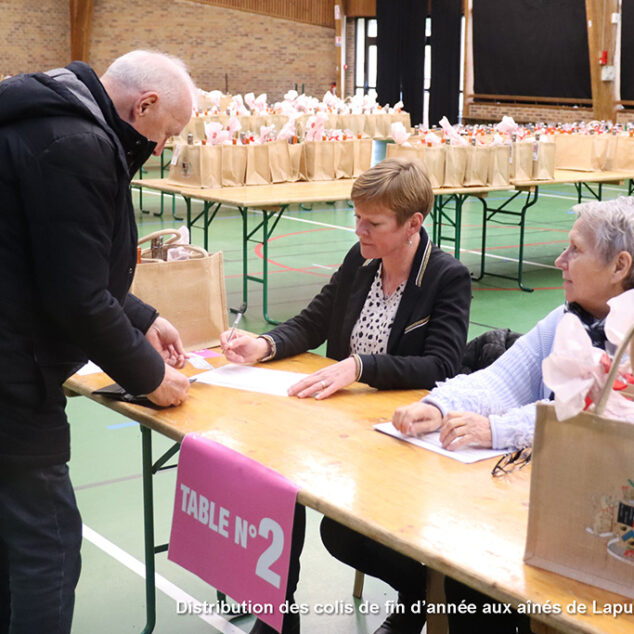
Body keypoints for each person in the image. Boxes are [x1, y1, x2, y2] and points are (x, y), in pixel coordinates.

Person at [221, 157, 472, 634]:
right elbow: (314, 320)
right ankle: (278, 612)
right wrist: (265, 344)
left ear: (413, 224)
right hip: (344, 428)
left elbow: (442, 366)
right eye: (357, 218)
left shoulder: (446, 277)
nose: (359, 230)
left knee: (341, 534)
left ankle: (415, 599)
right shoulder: (360, 260)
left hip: (404, 436)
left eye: (373, 223)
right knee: (277, 476)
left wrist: (361, 365)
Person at [0, 50, 195, 633]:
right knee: (49, 550)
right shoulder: (80, 145)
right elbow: (76, 297)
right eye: (168, 132)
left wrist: (141, 317)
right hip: (13, 379)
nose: (162, 146)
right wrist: (151, 377)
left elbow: (51, 259)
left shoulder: (44, 114)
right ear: (146, 105)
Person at [387, 195, 634, 633]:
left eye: (575, 250)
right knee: (472, 577)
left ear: (620, 266)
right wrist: (438, 406)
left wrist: (497, 429)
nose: (560, 260)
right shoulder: (566, 319)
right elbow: (500, 380)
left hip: (607, 537)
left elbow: (588, 420)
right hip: (547, 508)